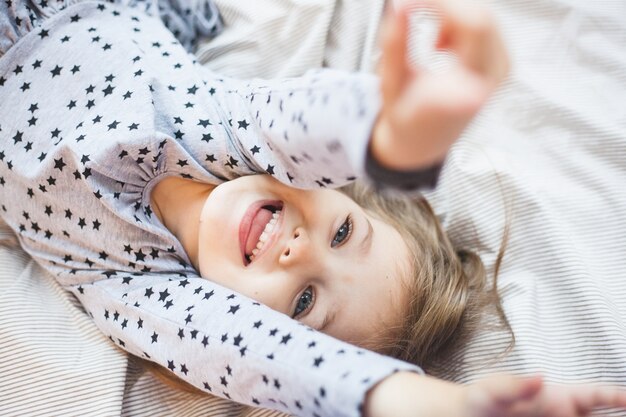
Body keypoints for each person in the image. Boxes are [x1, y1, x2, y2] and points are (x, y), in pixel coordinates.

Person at [0, 0, 625, 415]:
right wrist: (402, 137)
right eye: (344, 231)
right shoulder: (219, 136)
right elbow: (292, 125)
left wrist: (422, 403)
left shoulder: (138, 289)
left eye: (304, 301)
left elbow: (267, 360)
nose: (301, 249)